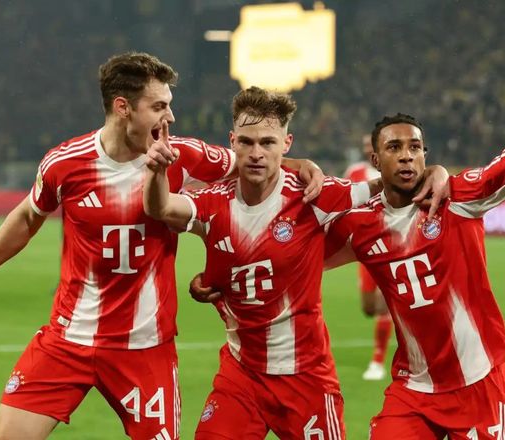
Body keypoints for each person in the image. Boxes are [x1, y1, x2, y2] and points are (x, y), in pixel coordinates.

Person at [0, 52, 324, 440]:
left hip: (145, 348)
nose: (170, 117)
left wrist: (300, 163)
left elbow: (251, 161)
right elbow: (27, 217)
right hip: (68, 339)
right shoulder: (65, 163)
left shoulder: (183, 155)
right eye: (159, 106)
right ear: (123, 107)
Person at [144, 86, 449, 439]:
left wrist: (436, 171)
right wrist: (156, 171)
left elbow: (389, 184)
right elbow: (161, 207)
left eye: (268, 143)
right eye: (247, 142)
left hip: (307, 378)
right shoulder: (212, 202)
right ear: (232, 142)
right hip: (241, 375)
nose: (256, 153)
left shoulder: (313, 196)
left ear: (286, 144)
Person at [324, 37, 505, 439]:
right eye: (394, 147)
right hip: (414, 389)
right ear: (375, 160)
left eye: (415, 147)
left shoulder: (456, 199)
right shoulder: (360, 224)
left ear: (425, 154)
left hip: (478, 382)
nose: (407, 155)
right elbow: (300, 253)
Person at [344, 135, 392, 381]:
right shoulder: (354, 172)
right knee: (369, 308)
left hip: (390, 247)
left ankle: (377, 361)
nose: (366, 150)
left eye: (370, 146)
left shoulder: (393, 171)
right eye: (364, 146)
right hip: (364, 250)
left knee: (384, 305)